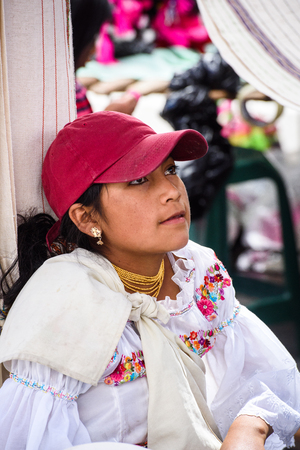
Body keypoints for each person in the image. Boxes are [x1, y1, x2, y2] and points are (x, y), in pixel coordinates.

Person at [0, 111, 299, 450]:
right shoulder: (65, 301)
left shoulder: (195, 271)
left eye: (171, 170)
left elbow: (262, 377)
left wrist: (252, 423)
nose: (172, 191)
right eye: (139, 180)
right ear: (87, 218)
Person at [71, 0, 140, 118]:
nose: (93, 50)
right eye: (92, 39)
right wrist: (108, 118)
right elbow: (80, 135)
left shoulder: (75, 88)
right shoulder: (61, 98)